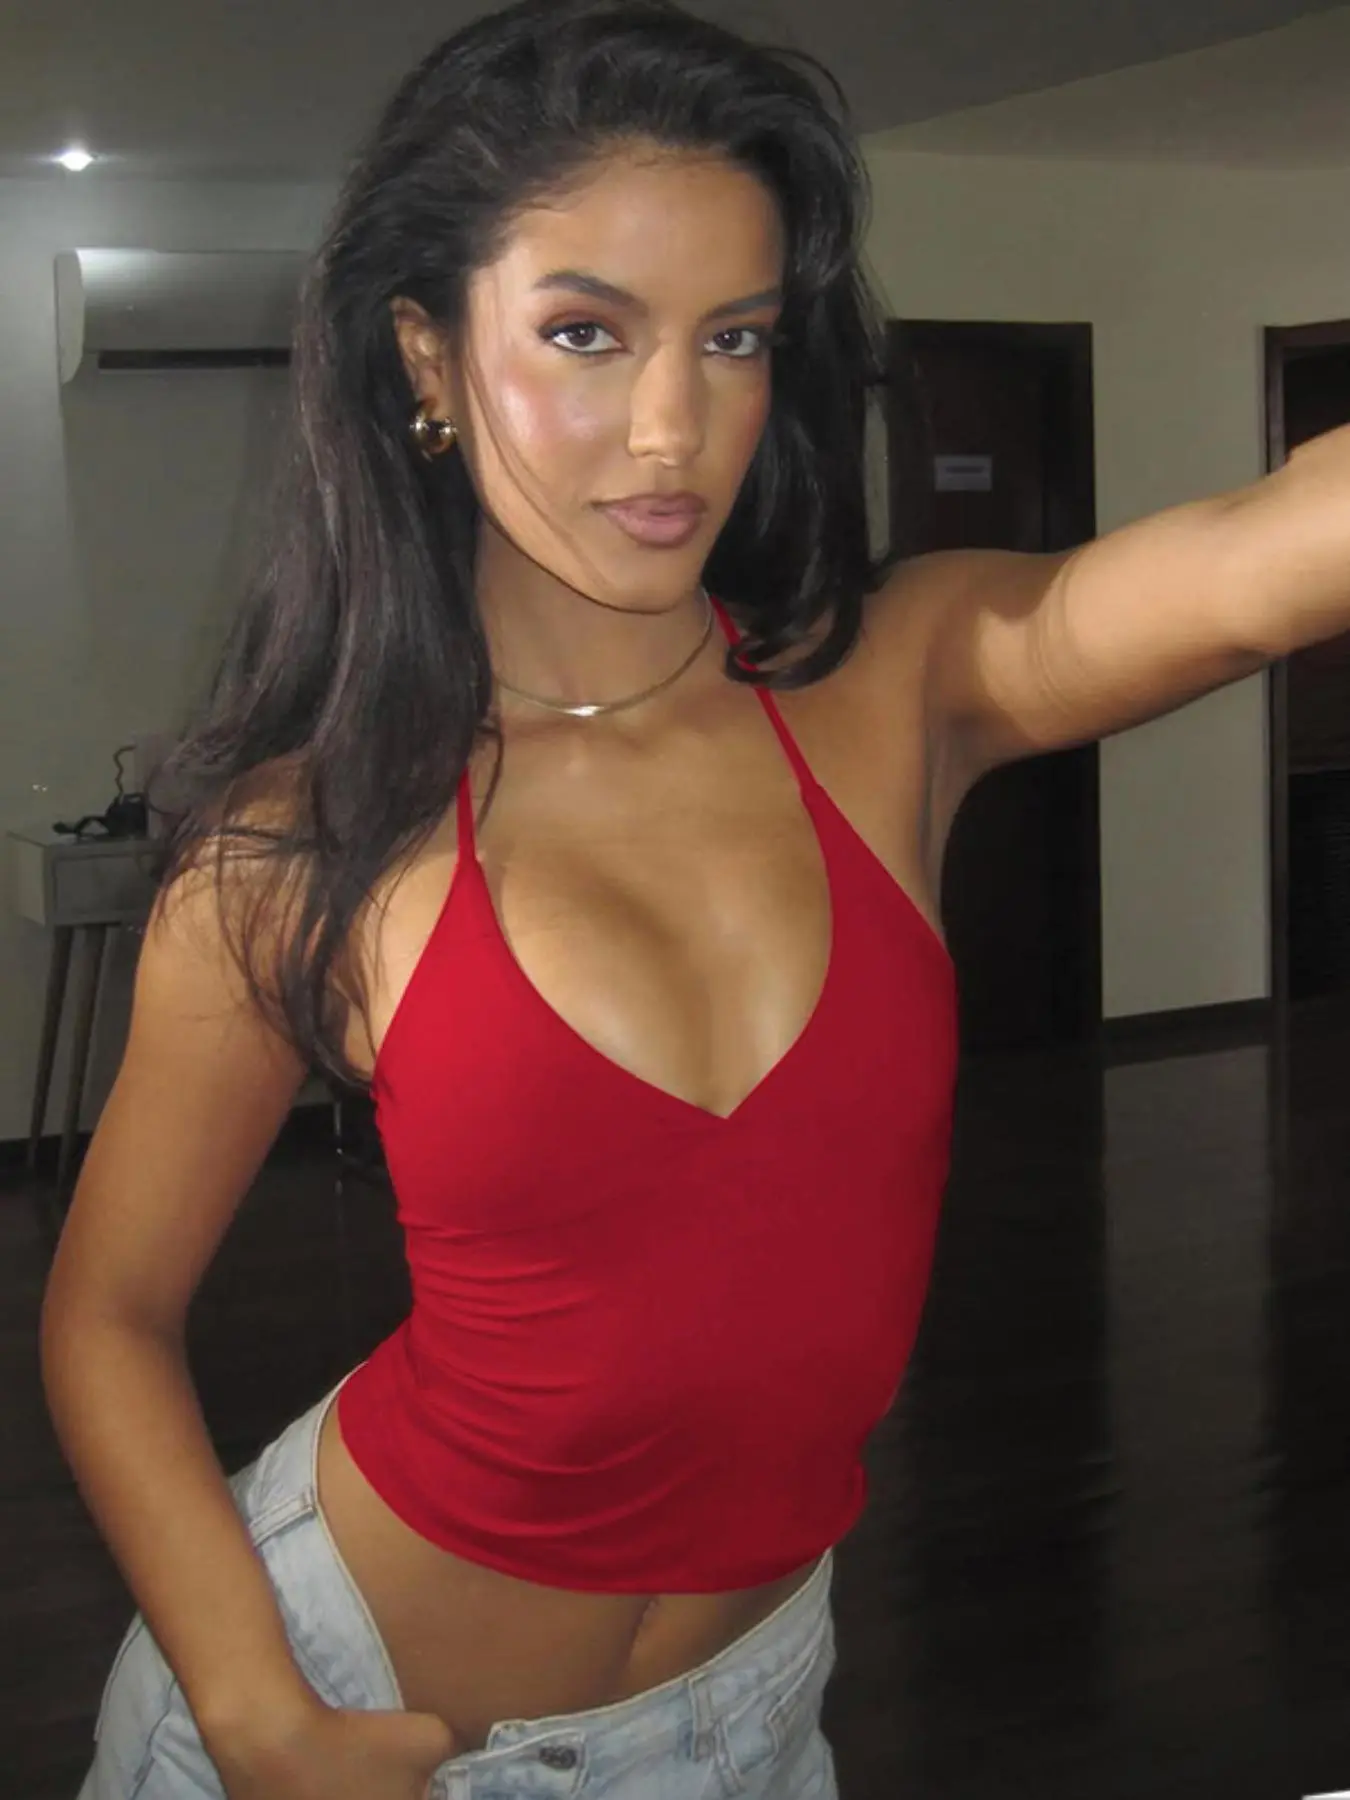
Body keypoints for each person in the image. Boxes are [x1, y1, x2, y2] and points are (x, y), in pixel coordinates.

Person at [40, 0, 1350, 1795]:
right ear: (427, 356)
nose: (673, 428)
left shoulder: (898, 687)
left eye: (731, 338)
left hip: (752, 1714)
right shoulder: (302, 844)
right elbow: (107, 1314)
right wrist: (259, 1710)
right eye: (585, 332)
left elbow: (1276, 552)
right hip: (343, 1708)